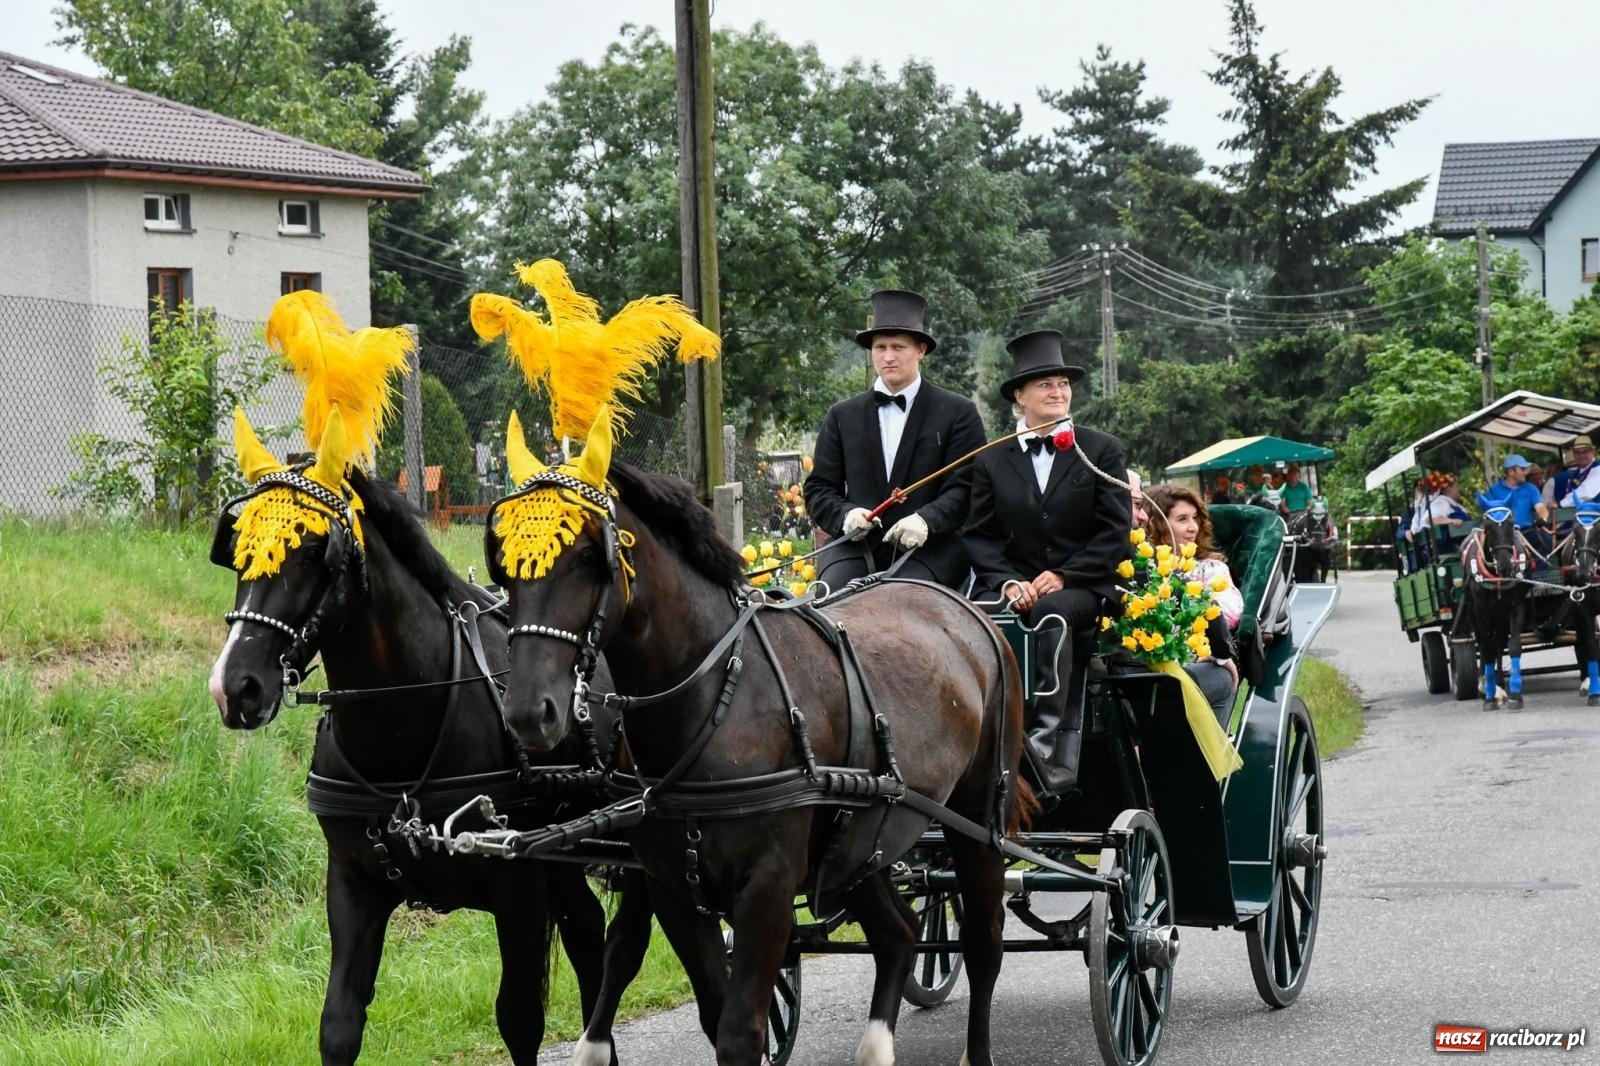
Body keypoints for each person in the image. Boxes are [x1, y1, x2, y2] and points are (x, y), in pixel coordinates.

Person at [963, 329, 1129, 792]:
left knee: (1051, 612)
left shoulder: (1100, 449)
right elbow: (978, 534)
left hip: (1086, 585)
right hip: (1014, 585)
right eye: (1045, 385)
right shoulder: (991, 459)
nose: (1058, 392)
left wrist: (1065, 574)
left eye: (1063, 384)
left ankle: (1041, 739)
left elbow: (1114, 533)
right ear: (1019, 396)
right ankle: (976, 732)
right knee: (974, 614)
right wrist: (1007, 582)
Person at [804, 290, 987, 589]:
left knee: (903, 602)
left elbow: (967, 487)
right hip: (855, 550)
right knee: (830, 602)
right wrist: (846, 515)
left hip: (930, 550)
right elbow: (819, 488)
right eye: (880, 347)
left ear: (921, 350)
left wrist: (927, 520)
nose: (888, 357)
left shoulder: (958, 412)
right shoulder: (841, 415)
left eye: (898, 347)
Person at [1142, 482, 1245, 727]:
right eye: (1182, 519)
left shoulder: (1210, 568)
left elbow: (1229, 611)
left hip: (1202, 661)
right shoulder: (1143, 570)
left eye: (1195, 518)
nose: (1193, 527)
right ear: (1158, 525)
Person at [1480, 454, 1551, 559]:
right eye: (1522, 469)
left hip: (1527, 531)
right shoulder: (1494, 491)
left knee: (1545, 540)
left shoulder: (1530, 488)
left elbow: (1540, 507)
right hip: (1504, 535)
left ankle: (1538, 569)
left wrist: (1543, 518)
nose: (1526, 472)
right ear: (1511, 471)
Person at [1556, 435, 1600, 508]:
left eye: (1585, 452)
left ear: (1593, 452)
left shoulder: (1598, 470)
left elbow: (1586, 493)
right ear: (1573, 454)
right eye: (1577, 452)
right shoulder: (1576, 472)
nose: (1581, 455)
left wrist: (1560, 503)